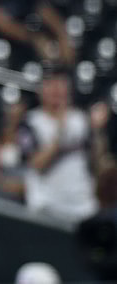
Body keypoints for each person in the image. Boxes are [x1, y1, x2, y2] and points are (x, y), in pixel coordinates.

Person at [17, 71, 108, 223]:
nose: (56, 92)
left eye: (60, 87)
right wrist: (60, 134)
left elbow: (96, 159)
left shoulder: (80, 119)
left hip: (82, 203)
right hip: (48, 205)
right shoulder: (31, 122)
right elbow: (36, 164)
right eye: (51, 86)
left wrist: (97, 131)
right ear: (41, 91)